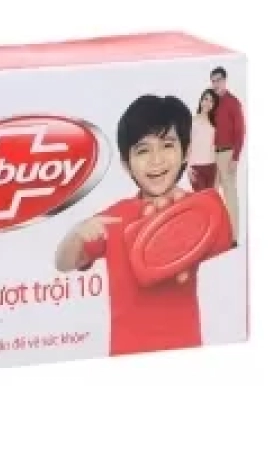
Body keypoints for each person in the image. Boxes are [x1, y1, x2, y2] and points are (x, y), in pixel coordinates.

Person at [54, 94, 230, 356]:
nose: (156, 160)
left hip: (186, 351)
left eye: (167, 145)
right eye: (143, 150)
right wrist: (76, 233)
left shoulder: (197, 210)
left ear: (186, 152)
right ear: (127, 165)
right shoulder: (115, 217)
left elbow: (233, 234)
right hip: (127, 353)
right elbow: (63, 263)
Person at [210, 66, 245, 246]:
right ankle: (215, 236)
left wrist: (235, 158)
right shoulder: (213, 103)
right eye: (213, 81)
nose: (216, 84)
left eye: (218, 80)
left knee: (230, 195)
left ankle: (233, 237)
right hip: (212, 154)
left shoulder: (233, 102)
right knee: (212, 195)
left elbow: (240, 132)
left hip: (227, 154)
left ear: (225, 81)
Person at [187, 88, 220, 191]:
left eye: (211, 101)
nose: (208, 103)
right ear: (201, 101)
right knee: (202, 197)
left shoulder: (214, 124)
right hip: (197, 168)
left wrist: (218, 171)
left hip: (212, 167)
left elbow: (215, 147)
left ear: (214, 105)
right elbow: (188, 145)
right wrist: (188, 167)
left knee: (210, 198)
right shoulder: (192, 121)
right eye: (206, 99)